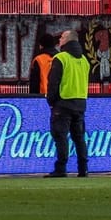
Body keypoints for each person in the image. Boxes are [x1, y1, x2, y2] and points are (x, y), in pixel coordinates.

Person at [45, 29, 88, 178]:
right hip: (80, 103)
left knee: (60, 136)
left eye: (62, 37)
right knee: (79, 138)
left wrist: (51, 101)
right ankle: (83, 169)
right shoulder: (84, 60)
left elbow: (53, 83)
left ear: (68, 40)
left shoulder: (60, 58)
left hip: (63, 104)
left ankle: (61, 168)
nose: (59, 40)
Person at [27, 31, 57, 96]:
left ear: (41, 46)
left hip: (43, 96)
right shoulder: (61, 58)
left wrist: (32, 97)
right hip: (60, 97)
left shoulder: (38, 59)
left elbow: (34, 82)